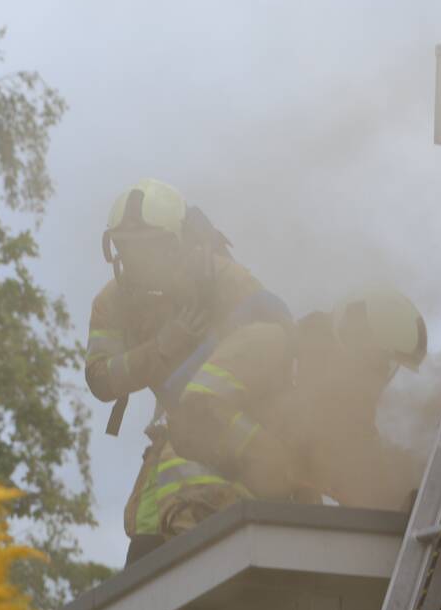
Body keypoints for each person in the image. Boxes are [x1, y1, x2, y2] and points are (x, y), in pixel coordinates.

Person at [84, 178, 289, 563]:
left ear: (176, 243)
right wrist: (163, 347)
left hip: (236, 422)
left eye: (146, 248)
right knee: (145, 536)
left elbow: (273, 343)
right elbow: (101, 378)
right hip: (173, 427)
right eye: (125, 247)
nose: (135, 260)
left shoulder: (225, 279)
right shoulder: (112, 302)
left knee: (201, 509)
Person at [168, 287, 428, 511]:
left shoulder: (339, 409)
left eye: (388, 369)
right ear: (351, 340)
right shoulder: (269, 343)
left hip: (255, 527)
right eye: (377, 363)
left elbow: (360, 474)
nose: (378, 378)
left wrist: (410, 494)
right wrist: (259, 445)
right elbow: (194, 413)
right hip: (183, 509)